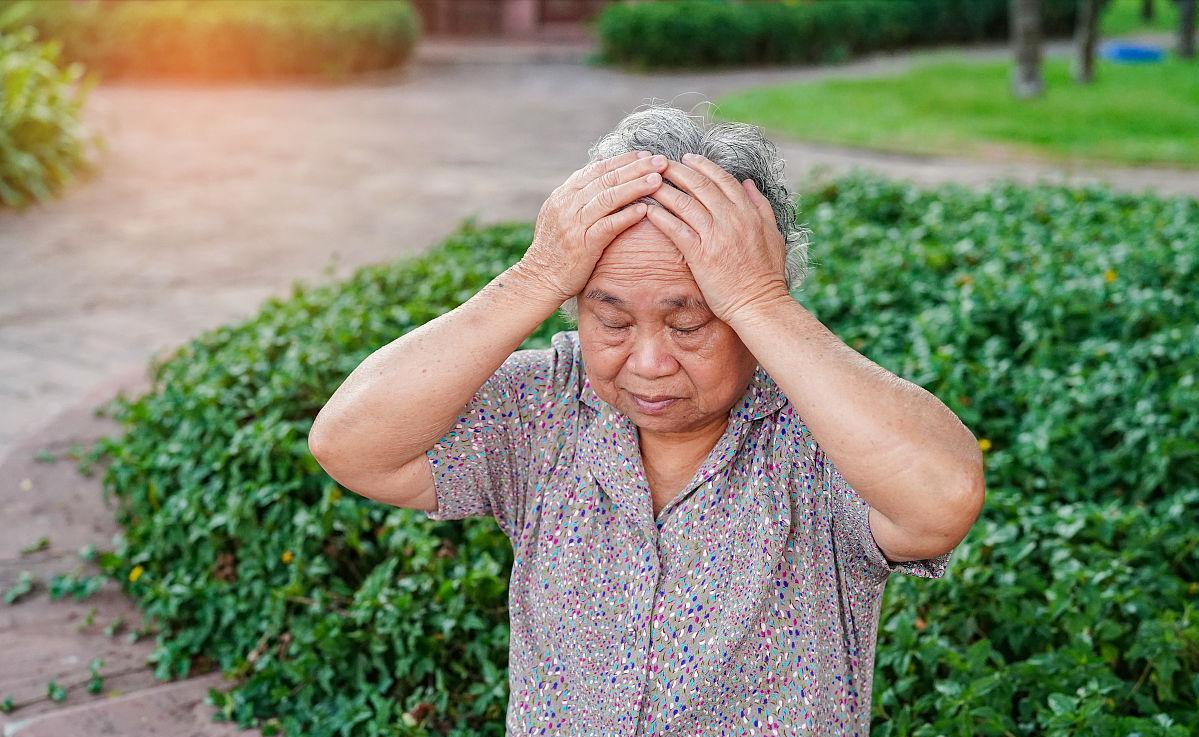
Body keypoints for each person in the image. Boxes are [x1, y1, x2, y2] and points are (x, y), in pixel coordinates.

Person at [308, 103, 985, 736]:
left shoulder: (819, 438)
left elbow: (941, 495)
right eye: (611, 319)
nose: (649, 361)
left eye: (689, 323)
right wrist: (538, 274)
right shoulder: (548, 407)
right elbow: (351, 443)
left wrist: (757, 296)